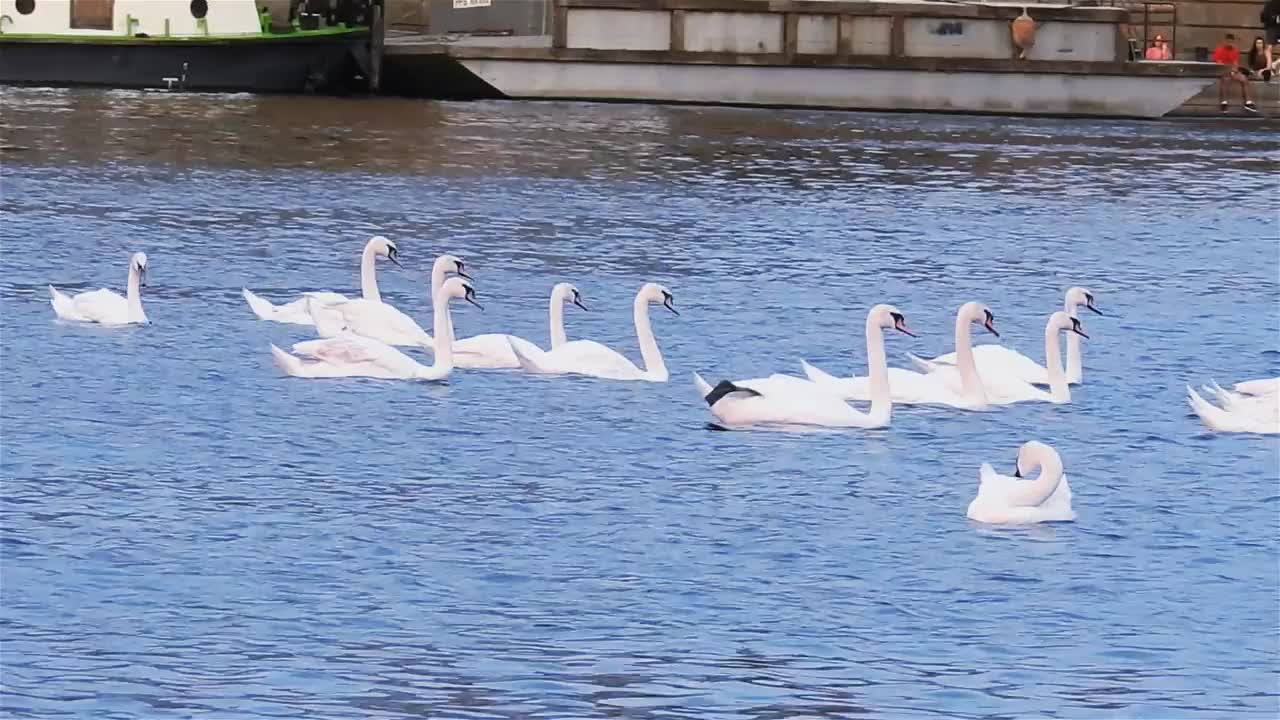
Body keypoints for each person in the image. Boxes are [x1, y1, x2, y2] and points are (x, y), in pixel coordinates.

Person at [1212, 34, 1257, 113]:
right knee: (1225, 80)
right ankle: (1224, 103)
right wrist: (1229, 71)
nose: (1230, 43)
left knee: (1244, 79)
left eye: (1231, 42)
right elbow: (1218, 64)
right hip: (1222, 71)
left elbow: (1235, 63)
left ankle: (1248, 103)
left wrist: (1234, 71)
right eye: (1228, 41)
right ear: (1225, 41)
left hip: (1232, 71)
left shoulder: (1235, 50)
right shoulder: (1219, 50)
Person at [1263, 0, 1280, 80]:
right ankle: (1273, 65)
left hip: (1272, 27)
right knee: (1268, 49)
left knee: (1268, 49)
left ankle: (1269, 67)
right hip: (1274, 27)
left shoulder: (1268, 3)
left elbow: (1263, 16)